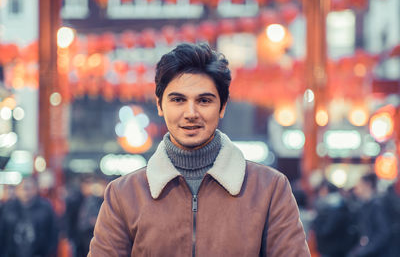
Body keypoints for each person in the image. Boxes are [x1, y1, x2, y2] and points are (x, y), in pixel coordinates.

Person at [88, 43, 310, 256]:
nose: (191, 113)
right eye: (178, 100)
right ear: (159, 105)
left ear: (222, 106)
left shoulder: (269, 189)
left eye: (204, 100)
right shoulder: (124, 194)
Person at [0, 176, 59, 257]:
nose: (25, 192)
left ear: (35, 190)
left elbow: (53, 234)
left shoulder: (45, 208)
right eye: (22, 189)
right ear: (17, 190)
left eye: (29, 188)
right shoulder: (8, 208)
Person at [312, 180, 358, 257]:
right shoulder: (339, 204)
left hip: (332, 249)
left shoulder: (334, 207)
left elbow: (327, 229)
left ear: (327, 190)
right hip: (335, 247)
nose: (320, 193)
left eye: (322, 190)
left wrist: (316, 223)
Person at [349, 173, 391, 257]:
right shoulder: (365, 205)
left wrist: (364, 251)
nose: (357, 189)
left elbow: (382, 234)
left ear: (368, 185)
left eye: (359, 185)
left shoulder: (377, 205)